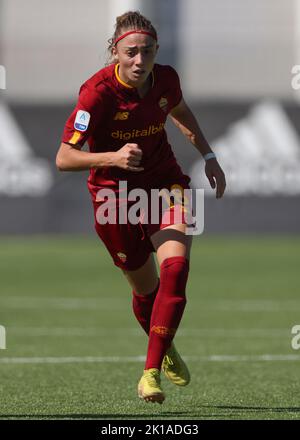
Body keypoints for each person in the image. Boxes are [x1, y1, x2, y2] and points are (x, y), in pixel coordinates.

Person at [56, 11, 226, 404]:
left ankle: (149, 372)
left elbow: (180, 112)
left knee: (177, 268)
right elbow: (64, 158)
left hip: (165, 185)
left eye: (146, 52)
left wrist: (210, 155)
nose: (139, 60)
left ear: (156, 52)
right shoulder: (96, 93)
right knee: (147, 292)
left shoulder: (166, 79)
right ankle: (164, 347)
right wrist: (113, 158)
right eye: (131, 52)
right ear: (115, 51)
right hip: (113, 197)